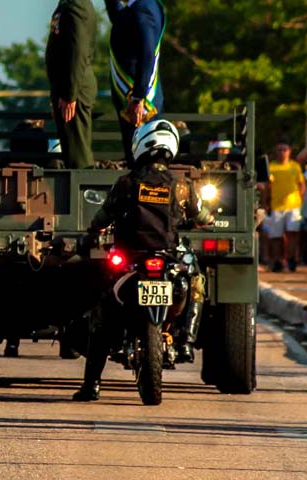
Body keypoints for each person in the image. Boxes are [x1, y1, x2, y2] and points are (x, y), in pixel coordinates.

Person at [73, 119, 213, 401]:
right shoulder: (182, 186)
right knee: (197, 280)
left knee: (102, 317)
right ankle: (186, 340)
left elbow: (102, 218)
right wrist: (207, 221)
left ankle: (92, 385)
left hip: (131, 261)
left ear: (140, 146)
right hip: (169, 259)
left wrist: (89, 235)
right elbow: (203, 217)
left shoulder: (126, 182)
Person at [102, 0, 166, 166]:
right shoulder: (136, 7)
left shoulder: (144, 8)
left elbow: (147, 54)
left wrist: (138, 96)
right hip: (131, 95)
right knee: (133, 154)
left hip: (138, 99)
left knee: (142, 157)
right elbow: (121, 23)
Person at [45, 0, 98, 169]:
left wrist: (69, 94)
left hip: (73, 89)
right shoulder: (68, 3)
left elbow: (77, 52)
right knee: (70, 150)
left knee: (78, 153)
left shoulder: (76, 6)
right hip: (67, 88)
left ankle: (85, 198)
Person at [265, 139, 305, 272]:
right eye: (279, 149)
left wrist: (302, 201)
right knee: (276, 236)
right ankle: (277, 261)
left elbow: (301, 185)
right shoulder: (271, 167)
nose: (282, 152)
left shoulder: (295, 166)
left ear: (289, 151)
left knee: (292, 234)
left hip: (294, 206)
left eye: (285, 149)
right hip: (276, 206)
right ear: (275, 152)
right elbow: (267, 187)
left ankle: (292, 259)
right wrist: (266, 203)